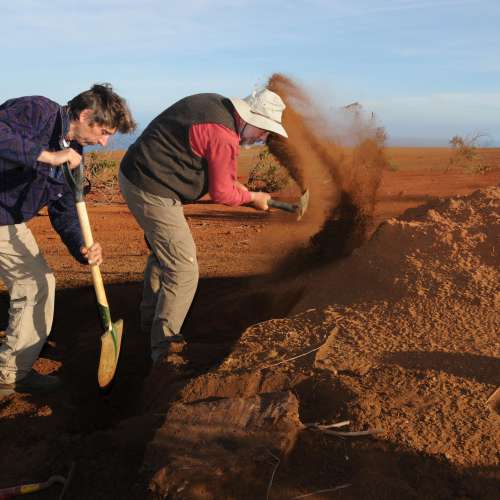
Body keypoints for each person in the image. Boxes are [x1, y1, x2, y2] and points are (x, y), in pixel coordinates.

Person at [119, 88, 288, 365]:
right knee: (183, 267)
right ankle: (164, 348)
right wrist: (253, 198)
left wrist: (239, 190)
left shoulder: (213, 104)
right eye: (264, 132)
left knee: (165, 253)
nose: (263, 139)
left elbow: (216, 170)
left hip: (139, 173)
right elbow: (222, 193)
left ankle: (148, 321)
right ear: (251, 119)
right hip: (151, 187)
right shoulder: (223, 135)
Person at [0, 83, 136, 397]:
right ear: (86, 114)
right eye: (104, 132)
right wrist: (46, 155)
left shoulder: (74, 156)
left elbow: (64, 213)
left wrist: (82, 247)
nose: (104, 142)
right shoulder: (37, 111)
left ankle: (11, 371)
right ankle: (10, 374)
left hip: (8, 220)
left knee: (38, 284)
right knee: (33, 285)